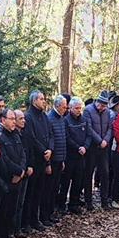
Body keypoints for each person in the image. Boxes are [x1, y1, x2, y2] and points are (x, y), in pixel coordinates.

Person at [0, 109, 27, 238]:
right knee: (3, 211)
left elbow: (22, 154)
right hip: (7, 180)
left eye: (15, 119)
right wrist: (16, 171)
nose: (14, 121)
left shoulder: (16, 135)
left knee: (12, 210)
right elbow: (4, 160)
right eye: (11, 119)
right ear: (2, 120)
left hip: (18, 178)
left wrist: (21, 171)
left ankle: (7, 235)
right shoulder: (0, 136)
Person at [23, 90, 54, 231]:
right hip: (34, 160)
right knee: (30, 193)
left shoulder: (44, 116)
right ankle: (26, 222)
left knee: (39, 192)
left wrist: (50, 150)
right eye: (41, 99)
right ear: (34, 101)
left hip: (44, 160)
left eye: (44, 98)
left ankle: (36, 220)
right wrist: (43, 151)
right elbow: (31, 138)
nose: (44, 101)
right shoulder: (28, 117)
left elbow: (51, 134)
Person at [58, 98, 90, 215]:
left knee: (78, 181)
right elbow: (66, 137)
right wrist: (77, 147)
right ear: (70, 108)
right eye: (76, 108)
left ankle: (74, 203)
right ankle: (61, 204)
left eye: (80, 108)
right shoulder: (66, 120)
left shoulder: (84, 120)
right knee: (66, 181)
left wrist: (85, 147)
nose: (78, 110)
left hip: (81, 156)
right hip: (70, 156)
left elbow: (88, 135)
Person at [83, 91, 113, 211]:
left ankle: (104, 201)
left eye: (105, 106)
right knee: (88, 173)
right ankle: (88, 201)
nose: (102, 108)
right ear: (97, 102)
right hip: (92, 147)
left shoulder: (107, 112)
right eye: (101, 105)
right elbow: (88, 128)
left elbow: (110, 128)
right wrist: (99, 141)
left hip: (104, 148)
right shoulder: (88, 110)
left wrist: (105, 140)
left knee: (105, 173)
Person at [43, 95, 67, 224]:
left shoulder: (62, 119)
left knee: (55, 188)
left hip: (59, 159)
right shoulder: (49, 118)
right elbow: (49, 141)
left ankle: (51, 212)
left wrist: (63, 159)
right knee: (48, 189)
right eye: (63, 107)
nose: (65, 109)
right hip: (51, 161)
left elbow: (62, 140)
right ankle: (44, 215)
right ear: (57, 106)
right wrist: (48, 163)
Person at [13, 109, 33, 236]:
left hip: (25, 171)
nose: (23, 121)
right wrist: (19, 170)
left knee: (21, 202)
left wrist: (29, 166)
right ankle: (11, 230)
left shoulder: (25, 134)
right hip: (15, 174)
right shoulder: (11, 135)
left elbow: (28, 152)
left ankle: (18, 228)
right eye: (21, 119)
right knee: (14, 204)